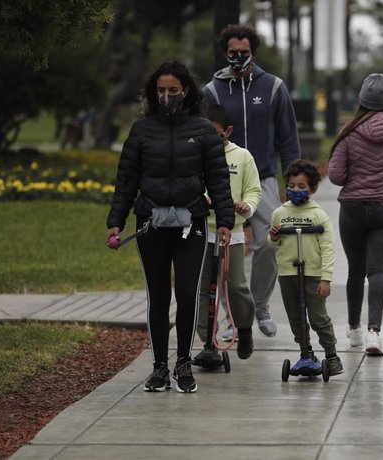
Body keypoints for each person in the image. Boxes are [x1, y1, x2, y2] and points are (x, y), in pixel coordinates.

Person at [106, 61, 234, 393]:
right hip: (151, 222)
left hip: (191, 222)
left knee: (189, 293)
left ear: (186, 91)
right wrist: (116, 223)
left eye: (173, 91)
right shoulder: (141, 130)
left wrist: (224, 221)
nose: (166, 96)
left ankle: (182, 363)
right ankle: (160, 366)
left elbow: (218, 180)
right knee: (158, 295)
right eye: (160, 91)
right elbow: (126, 180)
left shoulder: (204, 130)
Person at [203, 24, 301, 338]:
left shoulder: (273, 87)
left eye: (244, 53)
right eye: (233, 53)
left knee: (270, 243)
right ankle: (232, 318)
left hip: (265, 177)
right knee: (221, 251)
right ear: (224, 53)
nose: (238, 58)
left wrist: (293, 181)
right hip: (222, 178)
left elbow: (288, 138)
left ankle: (259, 306)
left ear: (253, 53)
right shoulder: (212, 91)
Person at [328, 73, 383, 356]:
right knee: (377, 271)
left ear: (361, 100)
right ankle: (374, 333)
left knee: (356, 269)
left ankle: (353, 329)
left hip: (352, 209)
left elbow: (337, 176)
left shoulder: (349, 132)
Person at [194, 104, 262, 362]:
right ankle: (208, 344)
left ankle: (243, 328)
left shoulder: (242, 156)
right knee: (203, 289)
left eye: (215, 133)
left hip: (230, 233)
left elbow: (254, 190)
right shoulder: (195, 155)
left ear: (228, 131)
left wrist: (247, 206)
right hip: (201, 231)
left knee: (235, 285)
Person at [268, 159, 343, 376]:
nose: (295, 190)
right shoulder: (280, 213)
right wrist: (273, 237)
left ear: (313, 189)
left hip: (312, 274)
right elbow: (274, 242)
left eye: (301, 187)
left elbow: (328, 248)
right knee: (296, 317)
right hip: (288, 273)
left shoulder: (319, 216)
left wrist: (326, 278)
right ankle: (305, 352)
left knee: (318, 318)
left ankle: (331, 355)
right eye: (291, 186)